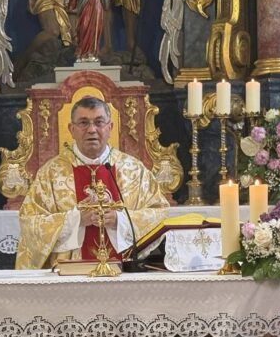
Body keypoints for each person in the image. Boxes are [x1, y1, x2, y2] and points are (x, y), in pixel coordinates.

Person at [16, 96, 168, 270]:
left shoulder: (133, 169)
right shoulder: (50, 173)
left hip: (124, 273)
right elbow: (29, 222)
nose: (92, 129)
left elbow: (159, 213)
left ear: (110, 127)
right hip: (68, 273)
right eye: (83, 123)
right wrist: (76, 219)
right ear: (71, 129)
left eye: (99, 122)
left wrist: (120, 220)